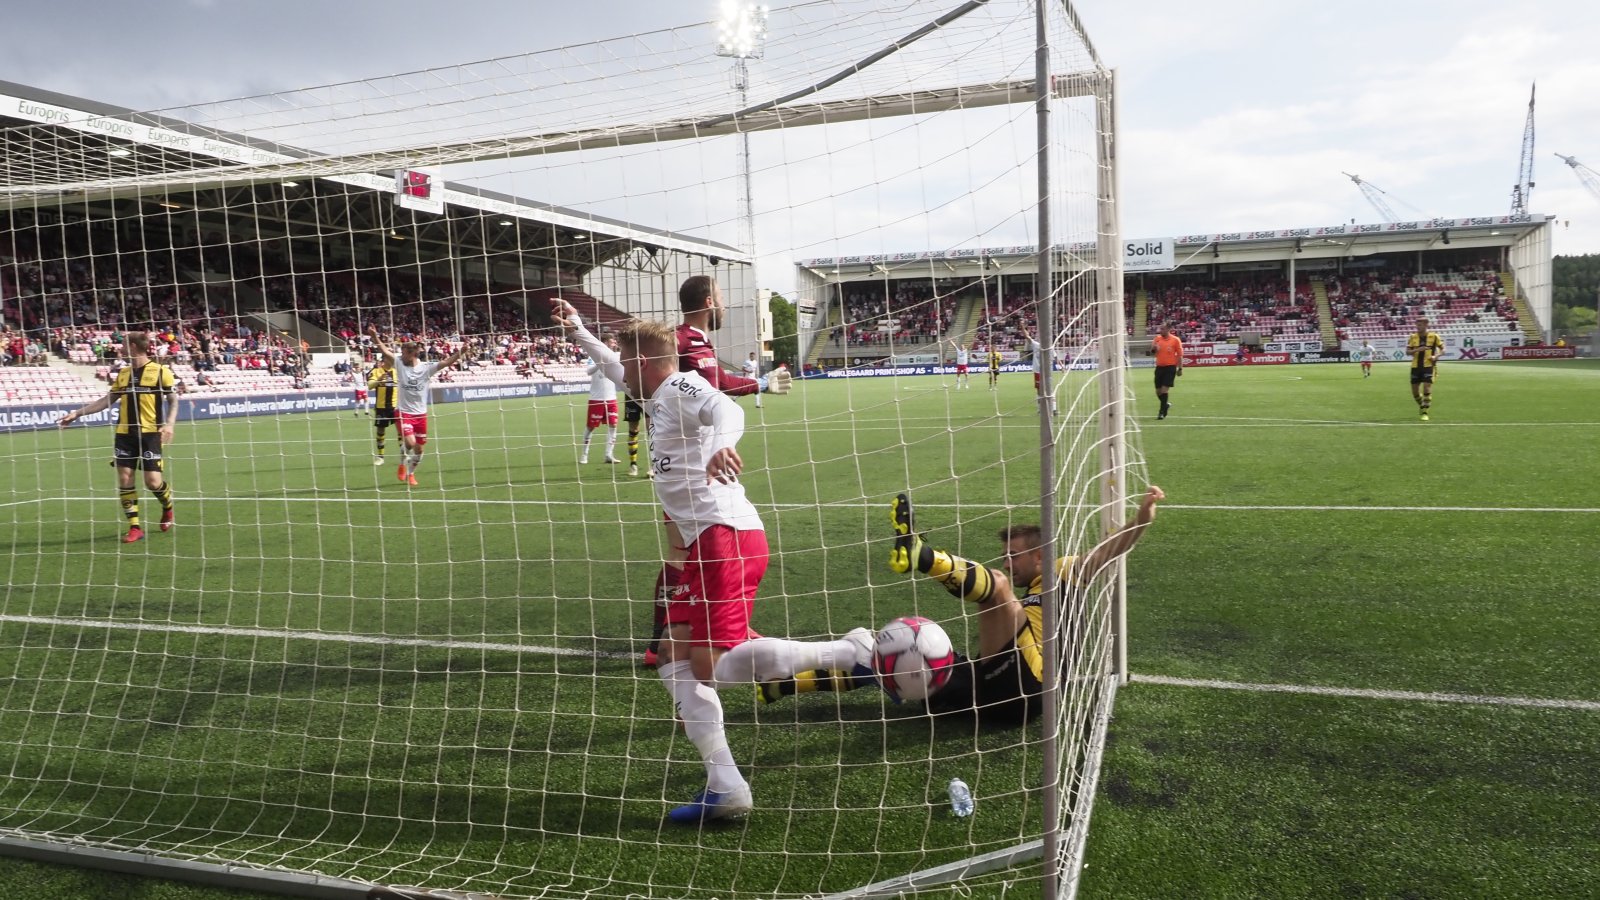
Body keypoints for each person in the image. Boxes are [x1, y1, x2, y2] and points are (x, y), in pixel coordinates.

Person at [556, 304, 868, 823]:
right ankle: (726, 787)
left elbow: (728, 410)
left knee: (709, 666)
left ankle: (849, 652)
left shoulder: (679, 387)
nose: (620, 372)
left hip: (726, 536)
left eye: (627, 363)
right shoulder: (654, 395)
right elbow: (611, 363)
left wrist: (720, 449)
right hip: (701, 546)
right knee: (672, 657)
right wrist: (579, 331)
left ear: (645, 363)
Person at [760, 486, 1165, 725]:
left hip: (1032, 687)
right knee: (898, 662)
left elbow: (1107, 552)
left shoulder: (1064, 571)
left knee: (997, 587)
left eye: (1015, 555)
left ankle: (922, 555)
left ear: (1040, 555)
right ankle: (783, 685)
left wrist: (1142, 519)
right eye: (1005, 554)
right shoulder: (1031, 592)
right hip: (995, 687)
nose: (1009, 561)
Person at [641, 275, 767, 666]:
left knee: (692, 557)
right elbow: (655, 380)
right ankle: (660, 642)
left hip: (707, 467)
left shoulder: (701, 343)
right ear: (710, 300)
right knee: (680, 555)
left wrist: (759, 384)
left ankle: (709, 625)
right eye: (723, 296)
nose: (724, 303)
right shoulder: (679, 340)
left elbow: (720, 385)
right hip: (684, 468)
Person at [57, 332, 179, 543]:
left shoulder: (161, 371)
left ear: (133, 346)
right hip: (124, 434)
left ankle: (167, 507)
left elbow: (173, 400)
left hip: (150, 433)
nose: (120, 348)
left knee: (153, 482)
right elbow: (107, 400)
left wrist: (169, 424)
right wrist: (77, 413)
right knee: (125, 478)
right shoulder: (123, 374)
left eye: (123, 344)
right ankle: (135, 527)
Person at [367, 325, 468, 485]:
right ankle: (402, 464)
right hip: (403, 412)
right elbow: (385, 352)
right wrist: (374, 336)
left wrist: (461, 352)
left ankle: (411, 473)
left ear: (413, 354)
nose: (401, 356)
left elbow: (446, 362)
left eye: (404, 354)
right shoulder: (399, 364)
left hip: (421, 414)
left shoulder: (426, 368)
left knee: (419, 450)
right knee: (410, 442)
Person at [580, 333, 621, 466]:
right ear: (605, 342)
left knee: (613, 425)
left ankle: (609, 454)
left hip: (611, 398)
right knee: (591, 427)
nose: (614, 343)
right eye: (612, 341)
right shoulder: (594, 355)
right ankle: (584, 454)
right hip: (596, 399)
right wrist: (600, 362)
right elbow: (588, 371)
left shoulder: (615, 356)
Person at [1406, 317, 1444, 421]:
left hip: (1428, 366)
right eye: (1417, 325)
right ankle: (1422, 405)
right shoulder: (1413, 337)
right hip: (1415, 367)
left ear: (1426, 325)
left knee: (1427, 388)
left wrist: (1436, 356)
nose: (1418, 327)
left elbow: (1443, 349)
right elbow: (1407, 352)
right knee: (1415, 393)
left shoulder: (1434, 336)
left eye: (1420, 325)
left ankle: (1424, 412)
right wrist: (1418, 349)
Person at [368, 356, 398, 465]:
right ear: (384, 359)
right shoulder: (376, 371)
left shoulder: (397, 372)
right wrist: (378, 380)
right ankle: (380, 457)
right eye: (390, 358)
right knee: (380, 431)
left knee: (401, 431)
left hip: (396, 406)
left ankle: (404, 455)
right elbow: (370, 386)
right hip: (381, 407)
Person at [1151, 323, 1183, 420]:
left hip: (1170, 368)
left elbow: (1180, 355)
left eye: (1163, 329)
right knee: (1158, 391)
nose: (1161, 331)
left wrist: (1180, 368)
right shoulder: (1157, 339)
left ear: (1169, 329)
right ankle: (1166, 405)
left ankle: (1162, 412)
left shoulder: (1175, 340)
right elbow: (1151, 352)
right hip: (1159, 368)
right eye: (1160, 329)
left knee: (1164, 390)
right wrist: (1154, 349)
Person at [623, 393, 648, 481]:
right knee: (633, 430)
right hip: (631, 394)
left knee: (651, 428)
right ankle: (633, 464)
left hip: (648, 394)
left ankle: (655, 465)